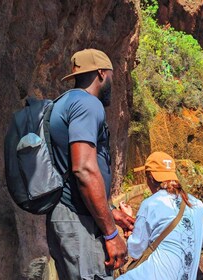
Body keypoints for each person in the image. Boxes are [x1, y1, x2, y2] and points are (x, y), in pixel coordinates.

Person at [47, 48, 135, 280]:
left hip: (67, 214)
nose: (112, 85)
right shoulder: (87, 104)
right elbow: (83, 169)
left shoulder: (64, 102)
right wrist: (110, 234)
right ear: (101, 74)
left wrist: (110, 211)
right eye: (111, 78)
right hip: (77, 220)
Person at [117, 151, 203, 280]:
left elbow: (135, 251)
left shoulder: (150, 204)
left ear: (150, 178)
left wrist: (127, 223)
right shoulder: (197, 204)